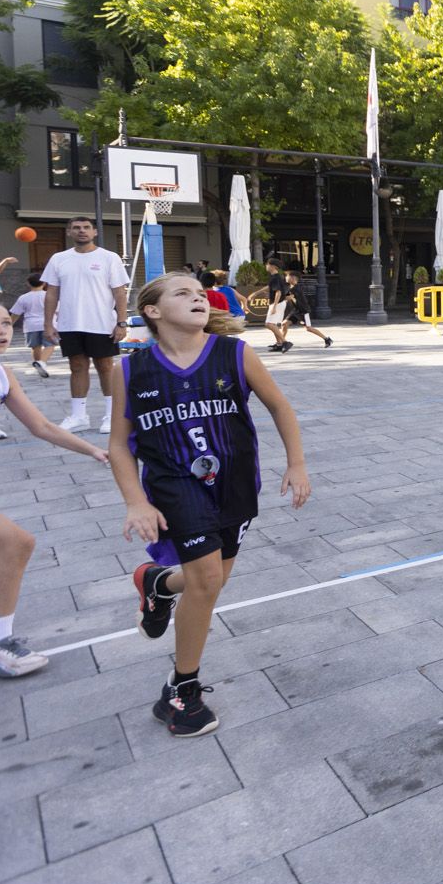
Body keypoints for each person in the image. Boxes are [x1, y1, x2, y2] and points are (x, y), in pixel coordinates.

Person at [112, 273, 311, 736]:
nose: (198, 297)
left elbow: (280, 407)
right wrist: (135, 501)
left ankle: (159, 584)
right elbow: (121, 445)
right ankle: (181, 689)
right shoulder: (132, 369)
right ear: (154, 312)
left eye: (200, 293)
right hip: (174, 484)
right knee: (205, 580)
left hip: (235, 483)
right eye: (183, 293)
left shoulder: (235, 353)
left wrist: (296, 464)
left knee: (213, 579)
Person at [0, 300, 110, 676]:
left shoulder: (3, 374)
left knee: (16, 543)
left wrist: (93, 449)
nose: (2, 330)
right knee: (15, 542)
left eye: (5, 323)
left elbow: (42, 427)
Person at [41, 214, 129, 434]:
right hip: (70, 323)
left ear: (94, 232)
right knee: (77, 367)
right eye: (77, 227)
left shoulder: (109, 258)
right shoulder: (59, 259)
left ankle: (111, 416)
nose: (82, 230)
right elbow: (52, 293)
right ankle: (79, 417)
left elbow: (119, 292)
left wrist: (122, 322)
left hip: (101, 323)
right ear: (69, 231)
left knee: (106, 368)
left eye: (86, 227)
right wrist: (48, 323)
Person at [10, 272, 51, 379]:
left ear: (28, 284)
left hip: (30, 326)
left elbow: (15, 314)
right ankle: (42, 363)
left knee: (35, 347)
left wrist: (9, 325)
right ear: (44, 283)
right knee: (50, 345)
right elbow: (57, 311)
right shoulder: (49, 295)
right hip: (48, 325)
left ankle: (38, 364)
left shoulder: (23, 298)